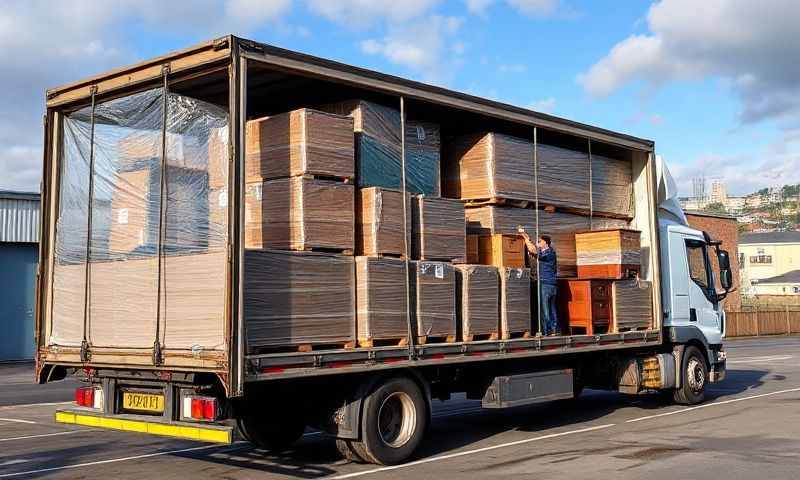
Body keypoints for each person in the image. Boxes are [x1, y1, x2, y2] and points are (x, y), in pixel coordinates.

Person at [519, 229, 560, 336]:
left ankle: (546, 331)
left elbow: (534, 251)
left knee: (545, 308)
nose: (539, 243)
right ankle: (554, 329)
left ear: (545, 243)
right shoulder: (548, 252)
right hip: (550, 283)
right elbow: (534, 251)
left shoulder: (549, 253)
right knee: (551, 308)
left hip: (546, 283)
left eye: (540, 241)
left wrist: (526, 239)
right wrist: (528, 239)